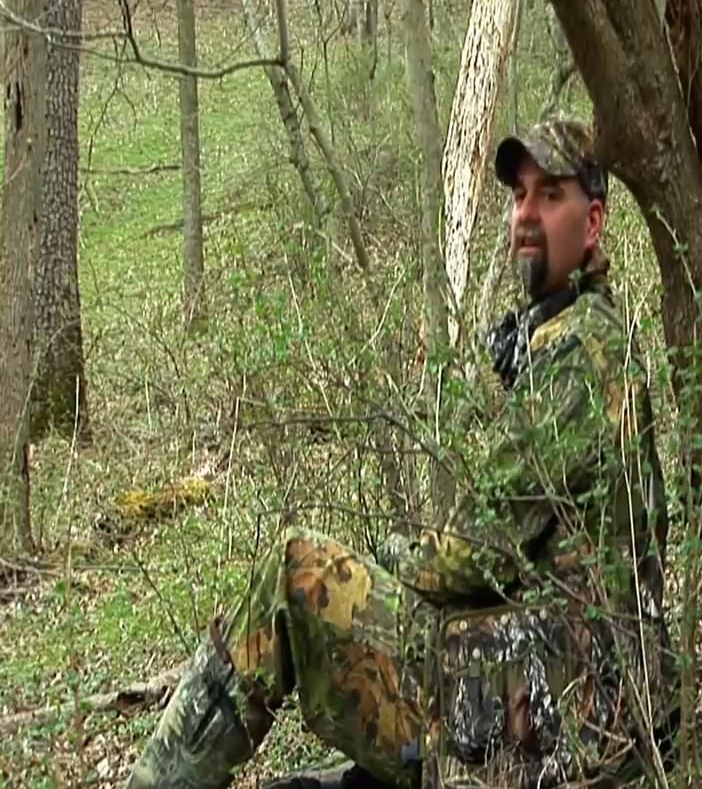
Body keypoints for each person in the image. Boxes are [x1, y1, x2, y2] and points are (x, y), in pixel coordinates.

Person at [126, 118, 672, 789]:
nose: (526, 214)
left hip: (560, 708)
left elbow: (480, 552)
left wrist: (392, 557)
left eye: (550, 194)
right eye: (518, 196)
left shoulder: (580, 350)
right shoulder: (582, 333)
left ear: (592, 224)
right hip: (557, 685)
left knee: (298, 571)